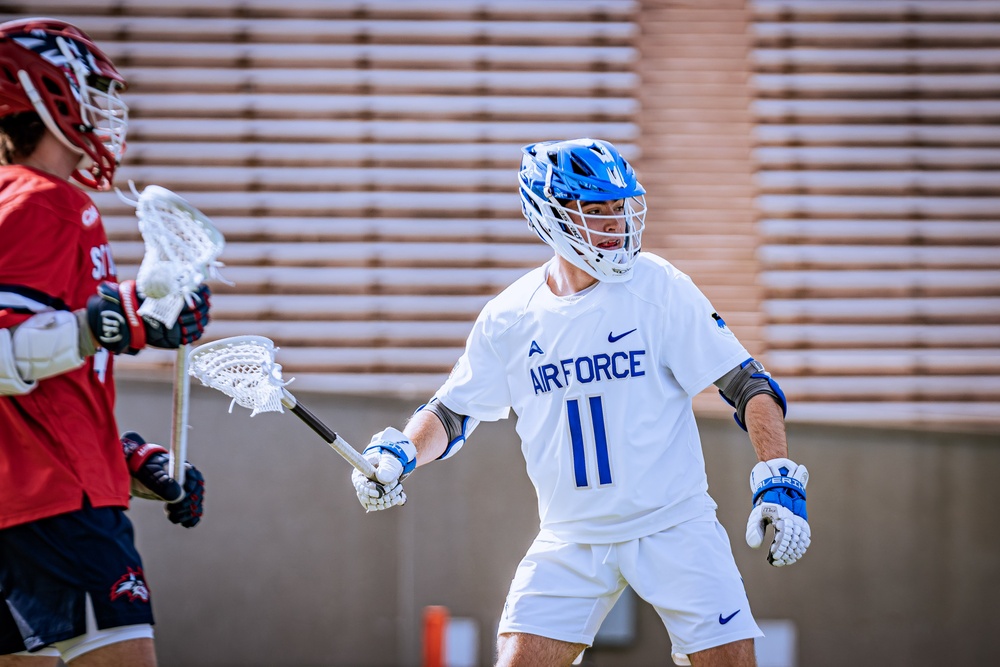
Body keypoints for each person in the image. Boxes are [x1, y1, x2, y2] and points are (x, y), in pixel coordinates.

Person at [352, 138, 811, 666]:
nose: (616, 225)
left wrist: (777, 472)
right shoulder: (509, 316)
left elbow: (751, 385)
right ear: (548, 216)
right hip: (571, 537)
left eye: (619, 208)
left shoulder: (659, 287)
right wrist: (400, 456)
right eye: (596, 211)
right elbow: (453, 411)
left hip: (675, 524)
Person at [0, 18, 211, 666]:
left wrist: (123, 461)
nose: (105, 111)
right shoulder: (41, 200)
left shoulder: (53, 205)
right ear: (44, 93)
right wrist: (122, 318)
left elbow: (42, 393)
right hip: (56, 517)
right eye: (90, 89)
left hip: (40, 502)